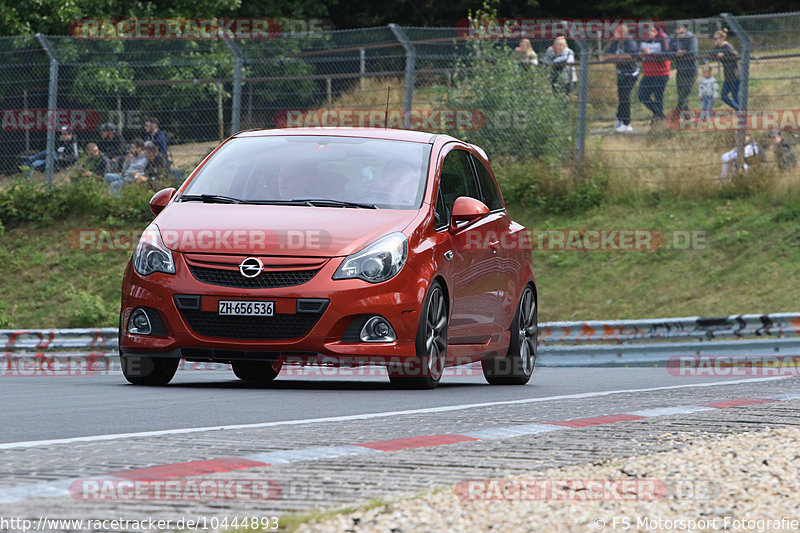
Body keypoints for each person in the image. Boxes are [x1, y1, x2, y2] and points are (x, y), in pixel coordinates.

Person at [603, 24, 639, 133]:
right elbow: (605, 57)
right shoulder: (615, 43)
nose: (614, 35)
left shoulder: (630, 42)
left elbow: (629, 57)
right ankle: (620, 118)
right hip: (620, 73)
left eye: (617, 33)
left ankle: (627, 123)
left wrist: (614, 58)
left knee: (625, 96)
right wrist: (619, 58)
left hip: (631, 74)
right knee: (621, 96)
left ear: (624, 34)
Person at [638, 25, 670, 123]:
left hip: (661, 72)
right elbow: (640, 54)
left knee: (658, 96)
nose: (648, 35)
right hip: (648, 73)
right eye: (647, 33)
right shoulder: (644, 38)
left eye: (650, 32)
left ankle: (659, 118)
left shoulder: (663, 37)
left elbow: (666, 54)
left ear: (655, 30)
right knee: (642, 95)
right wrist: (640, 55)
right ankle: (659, 114)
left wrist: (650, 53)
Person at [670, 23, 699, 112]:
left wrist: (682, 53)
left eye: (680, 33)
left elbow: (693, 52)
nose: (678, 35)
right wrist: (677, 53)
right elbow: (670, 53)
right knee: (681, 94)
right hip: (680, 70)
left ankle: (677, 112)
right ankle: (687, 115)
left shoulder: (691, 38)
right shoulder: (674, 38)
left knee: (684, 94)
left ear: (684, 29)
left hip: (690, 70)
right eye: (677, 33)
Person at [710, 29, 740, 110]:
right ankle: (739, 109)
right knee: (723, 96)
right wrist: (717, 54)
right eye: (714, 38)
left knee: (735, 96)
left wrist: (724, 55)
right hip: (727, 76)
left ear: (722, 39)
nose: (714, 40)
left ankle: (741, 111)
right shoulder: (717, 47)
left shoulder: (727, 47)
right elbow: (711, 55)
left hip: (735, 74)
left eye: (716, 39)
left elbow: (735, 56)